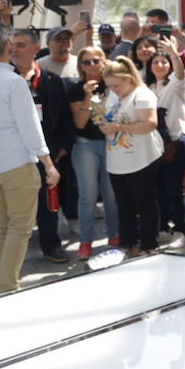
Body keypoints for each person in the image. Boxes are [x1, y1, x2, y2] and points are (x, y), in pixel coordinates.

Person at [0, 23, 61, 291]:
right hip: (17, 164)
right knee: (18, 228)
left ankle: (3, 282)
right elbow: (30, 128)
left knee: (6, 225)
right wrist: (49, 165)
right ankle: (7, 286)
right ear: (6, 46)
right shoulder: (12, 82)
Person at [9, 28, 73, 263]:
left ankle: (51, 246)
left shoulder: (51, 80)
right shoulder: (5, 79)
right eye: (12, 44)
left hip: (46, 153)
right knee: (13, 208)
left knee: (48, 204)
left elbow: (65, 118)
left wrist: (64, 147)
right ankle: (10, 254)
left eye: (21, 45)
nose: (15, 49)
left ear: (36, 48)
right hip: (13, 155)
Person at [98, 56, 163, 256]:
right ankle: (128, 243)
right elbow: (105, 117)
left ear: (129, 78)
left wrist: (119, 127)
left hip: (141, 158)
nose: (113, 89)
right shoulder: (112, 95)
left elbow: (150, 123)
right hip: (117, 159)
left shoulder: (142, 94)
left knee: (145, 204)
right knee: (123, 205)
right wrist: (104, 126)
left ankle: (148, 244)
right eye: (109, 86)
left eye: (116, 85)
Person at [68, 45, 120, 259]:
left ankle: (114, 236)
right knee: (87, 195)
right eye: (86, 62)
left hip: (112, 143)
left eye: (96, 60)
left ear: (104, 61)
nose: (92, 65)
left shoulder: (114, 85)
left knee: (111, 195)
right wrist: (88, 97)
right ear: (80, 66)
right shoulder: (75, 88)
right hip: (85, 145)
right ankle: (85, 241)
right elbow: (79, 124)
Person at [146, 48, 185, 238]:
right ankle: (163, 226)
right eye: (155, 62)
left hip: (176, 142)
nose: (160, 65)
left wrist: (173, 52)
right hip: (153, 145)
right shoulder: (145, 87)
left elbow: (180, 73)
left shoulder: (176, 83)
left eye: (164, 62)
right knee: (159, 189)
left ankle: (180, 228)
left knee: (174, 188)